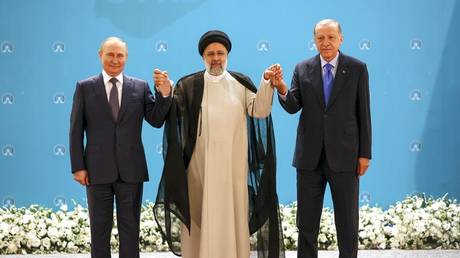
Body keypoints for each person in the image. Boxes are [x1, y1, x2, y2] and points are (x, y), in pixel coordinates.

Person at [153, 30, 285, 258]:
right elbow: (173, 113)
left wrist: (266, 83)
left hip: (233, 170)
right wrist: (166, 91)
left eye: (220, 53)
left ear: (227, 55)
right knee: (199, 220)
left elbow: (260, 109)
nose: (216, 58)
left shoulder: (240, 83)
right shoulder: (189, 85)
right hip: (199, 170)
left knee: (232, 219)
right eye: (210, 53)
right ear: (203, 56)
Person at [69, 36, 172, 258]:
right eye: (110, 54)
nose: (115, 60)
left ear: (126, 58)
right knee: (99, 229)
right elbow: (75, 130)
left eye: (120, 55)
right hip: (96, 171)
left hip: (131, 171)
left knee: (130, 229)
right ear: (100, 55)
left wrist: (164, 93)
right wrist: (78, 166)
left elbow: (156, 120)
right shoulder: (85, 88)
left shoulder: (140, 87)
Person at [277, 19, 372, 258]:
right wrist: (280, 88)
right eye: (320, 38)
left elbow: (364, 114)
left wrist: (364, 154)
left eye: (330, 37)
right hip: (309, 159)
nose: (326, 42)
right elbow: (293, 105)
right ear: (314, 40)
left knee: (347, 223)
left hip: (345, 157)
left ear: (341, 39)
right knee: (307, 224)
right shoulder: (302, 68)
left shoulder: (357, 68)